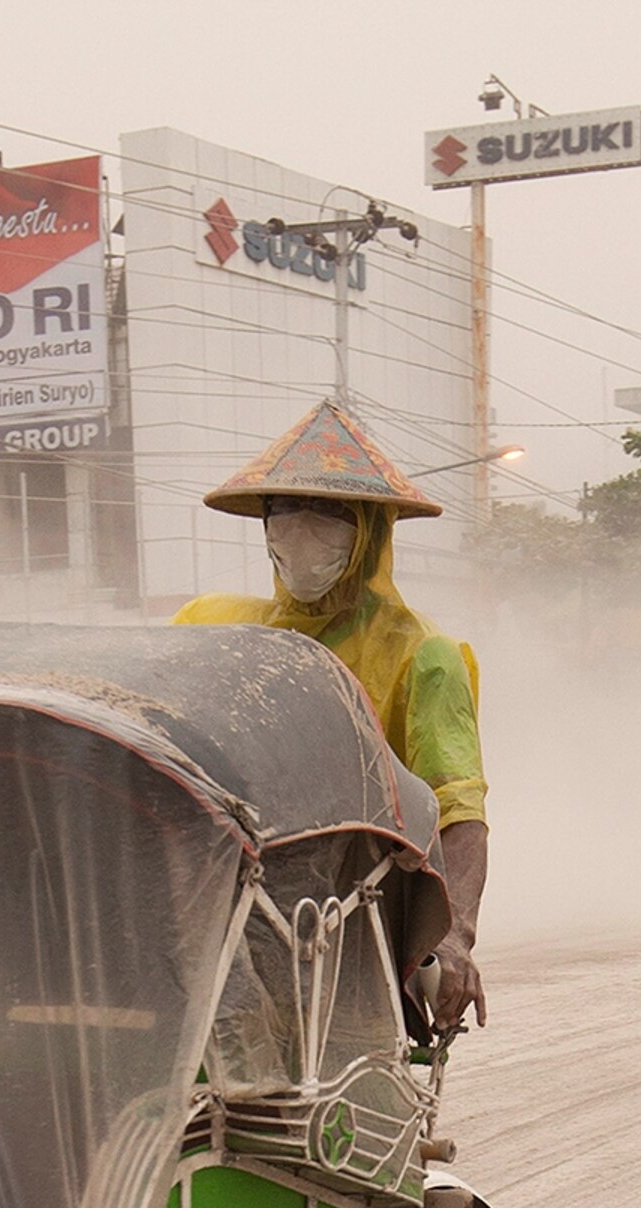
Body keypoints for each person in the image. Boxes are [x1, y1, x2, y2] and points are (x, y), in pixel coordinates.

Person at [175, 399, 490, 1029]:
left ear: (370, 529)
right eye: (284, 508)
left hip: (346, 920)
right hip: (219, 898)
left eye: (327, 511)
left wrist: (453, 937)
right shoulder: (212, 625)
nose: (300, 525)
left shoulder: (423, 657)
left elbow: (459, 810)